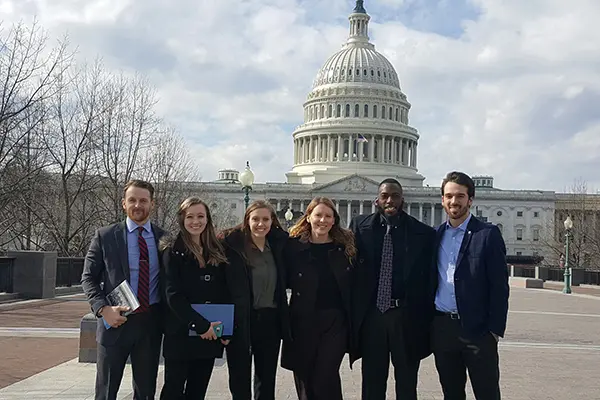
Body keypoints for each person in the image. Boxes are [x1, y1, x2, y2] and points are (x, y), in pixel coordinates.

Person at [350, 178, 436, 400]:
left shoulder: (423, 234)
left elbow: (430, 280)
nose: (390, 200)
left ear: (403, 199)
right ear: (376, 200)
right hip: (373, 317)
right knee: (372, 381)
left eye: (395, 196)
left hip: (406, 316)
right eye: (385, 196)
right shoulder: (360, 228)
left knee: (407, 383)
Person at [81, 179, 165, 400]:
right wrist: (102, 309)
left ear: (152, 204)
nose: (138, 205)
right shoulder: (105, 236)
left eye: (144, 201)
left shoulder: (164, 239)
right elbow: (88, 278)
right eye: (133, 200)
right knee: (106, 391)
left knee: (146, 392)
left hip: (150, 324)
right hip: (115, 322)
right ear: (123, 204)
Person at [432, 171, 509, 400]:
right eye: (449, 196)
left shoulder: (487, 234)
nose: (454, 201)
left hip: (478, 330)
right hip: (443, 328)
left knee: (487, 393)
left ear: (470, 200)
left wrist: (494, 331)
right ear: (442, 200)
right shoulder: (434, 236)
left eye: (460, 196)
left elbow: (499, 286)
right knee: (451, 394)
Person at [282, 197, 358, 400]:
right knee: (305, 379)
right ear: (308, 217)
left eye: (327, 216)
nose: (322, 220)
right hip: (302, 320)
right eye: (318, 215)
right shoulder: (292, 248)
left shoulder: (346, 249)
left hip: (335, 322)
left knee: (325, 377)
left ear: (334, 220)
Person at [159, 197, 232, 399]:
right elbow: (172, 295)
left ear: (207, 219)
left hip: (209, 335)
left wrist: (223, 329)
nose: (195, 221)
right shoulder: (171, 251)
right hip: (182, 332)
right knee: (173, 391)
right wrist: (200, 326)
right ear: (182, 219)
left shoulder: (217, 252)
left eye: (200, 216)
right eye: (190, 216)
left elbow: (223, 293)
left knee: (197, 392)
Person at [220, 200, 291, 400]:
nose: (261, 224)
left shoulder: (278, 246)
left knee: (266, 379)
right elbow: (222, 287)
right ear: (247, 220)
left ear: (272, 221)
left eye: (265, 219)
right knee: (239, 378)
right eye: (256, 219)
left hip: (270, 320)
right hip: (241, 320)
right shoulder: (232, 247)